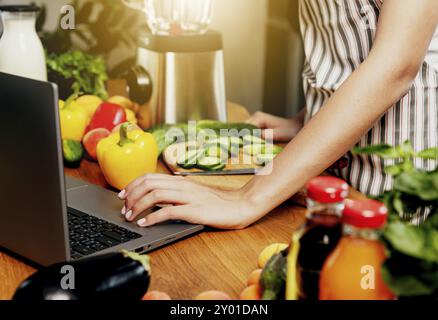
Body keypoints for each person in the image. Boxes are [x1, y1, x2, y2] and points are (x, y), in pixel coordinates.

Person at [119, 0, 438, 228]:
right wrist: (307, 118)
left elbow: (396, 65)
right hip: (328, 185)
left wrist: (246, 199)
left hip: (399, 193)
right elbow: (351, 41)